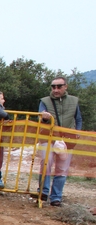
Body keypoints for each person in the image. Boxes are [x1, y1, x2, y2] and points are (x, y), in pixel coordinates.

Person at [36, 76, 82, 206]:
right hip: (47, 137)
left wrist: (78, 131)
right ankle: (43, 192)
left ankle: (56, 197)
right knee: (46, 163)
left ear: (65, 87)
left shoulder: (74, 101)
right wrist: (44, 118)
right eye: (53, 87)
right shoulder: (44, 101)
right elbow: (40, 118)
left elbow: (78, 118)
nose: (55, 90)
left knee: (62, 168)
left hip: (67, 139)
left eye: (59, 87)